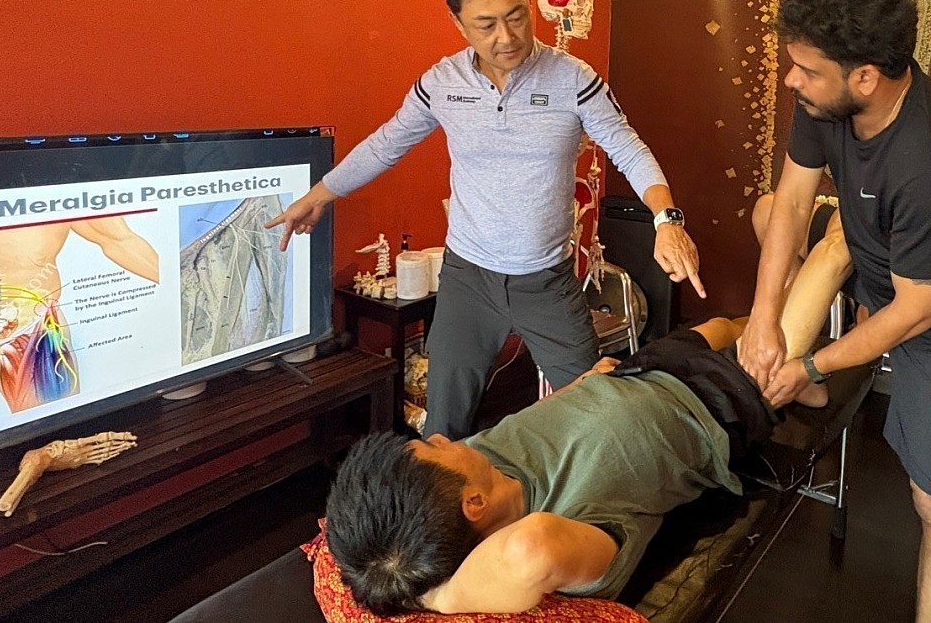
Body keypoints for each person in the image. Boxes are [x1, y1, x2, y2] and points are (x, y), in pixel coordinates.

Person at [266, 0, 705, 439]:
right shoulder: (441, 82)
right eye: (486, 24)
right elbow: (387, 143)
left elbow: (628, 148)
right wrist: (318, 195)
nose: (506, 37)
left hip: (547, 282)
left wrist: (667, 221)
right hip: (467, 282)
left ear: (529, 3)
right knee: (444, 427)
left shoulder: (573, 78)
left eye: (516, 17)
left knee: (596, 415)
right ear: (457, 23)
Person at [323, 217, 852, 616]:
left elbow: (536, 421)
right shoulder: (565, 534)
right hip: (712, 410)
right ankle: (818, 305)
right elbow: (528, 551)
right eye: (434, 449)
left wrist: (581, 386)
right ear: (473, 504)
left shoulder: (476, 464)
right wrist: (428, 596)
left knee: (728, 324)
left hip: (638, 371)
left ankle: (798, 344)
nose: (441, 437)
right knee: (832, 256)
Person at [737, 0, 931, 621]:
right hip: (884, 269)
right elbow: (792, 203)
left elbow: (915, 309)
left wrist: (813, 365)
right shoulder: (825, 98)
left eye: (806, 70)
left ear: (866, 77)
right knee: (779, 217)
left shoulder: (920, 161)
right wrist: (762, 319)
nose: (791, 79)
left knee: (930, 502)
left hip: (923, 311)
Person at [0, 216, 159, 424]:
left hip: (36, 326)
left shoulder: (58, 201)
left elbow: (120, 241)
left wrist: (178, 286)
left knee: (55, 429)